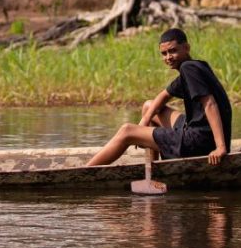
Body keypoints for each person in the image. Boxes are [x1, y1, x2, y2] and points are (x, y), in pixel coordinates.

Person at [85, 27, 232, 167]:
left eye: (173, 51)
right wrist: (144, 121)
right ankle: (154, 167)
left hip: (200, 142)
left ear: (186, 48)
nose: (168, 57)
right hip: (198, 133)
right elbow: (163, 95)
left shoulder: (188, 68)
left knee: (127, 131)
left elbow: (210, 104)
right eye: (164, 53)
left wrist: (220, 147)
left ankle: (85, 170)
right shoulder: (196, 66)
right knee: (150, 106)